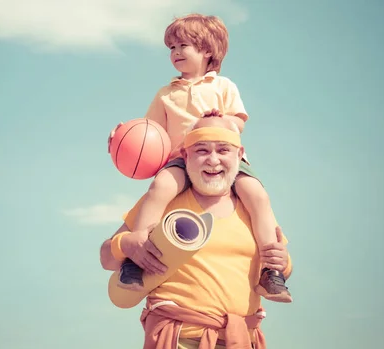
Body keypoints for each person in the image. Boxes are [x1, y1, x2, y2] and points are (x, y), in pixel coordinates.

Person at [107, 13, 291, 303]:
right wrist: (122, 136)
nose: (176, 53)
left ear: (207, 50)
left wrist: (219, 121)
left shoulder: (223, 87)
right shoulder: (166, 94)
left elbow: (239, 123)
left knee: (257, 195)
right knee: (160, 188)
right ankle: (135, 258)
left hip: (224, 155)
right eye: (172, 48)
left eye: (183, 45)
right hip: (182, 159)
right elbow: (149, 134)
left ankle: (272, 270)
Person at [100, 117, 294, 349]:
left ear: (239, 154)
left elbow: (282, 265)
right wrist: (125, 244)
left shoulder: (253, 206)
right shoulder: (165, 200)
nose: (213, 160)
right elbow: (106, 258)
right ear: (186, 155)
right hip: (179, 338)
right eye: (202, 150)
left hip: (241, 340)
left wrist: (283, 263)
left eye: (223, 150)